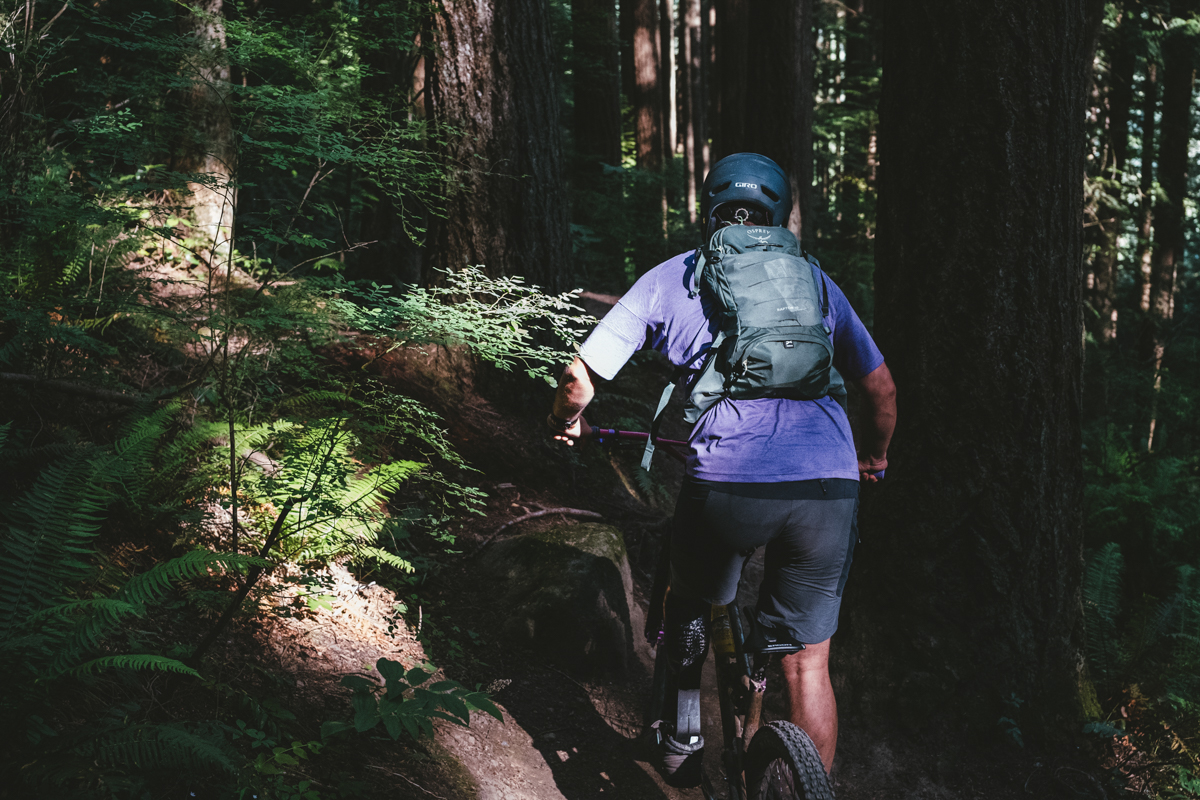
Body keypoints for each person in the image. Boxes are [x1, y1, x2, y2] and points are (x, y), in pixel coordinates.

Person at [546, 152, 897, 786]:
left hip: (729, 481)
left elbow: (579, 376)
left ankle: (681, 741)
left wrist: (567, 421)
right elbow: (881, 390)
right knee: (808, 663)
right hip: (828, 483)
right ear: (779, 211)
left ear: (711, 208)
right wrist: (871, 458)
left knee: (690, 601)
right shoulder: (815, 282)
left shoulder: (674, 276)